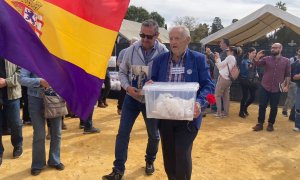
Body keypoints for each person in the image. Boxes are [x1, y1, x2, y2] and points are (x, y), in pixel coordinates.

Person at [102, 19, 168, 180]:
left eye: (149, 36)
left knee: (154, 135)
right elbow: (122, 72)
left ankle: (150, 160)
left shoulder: (164, 52)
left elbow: (168, 76)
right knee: (122, 133)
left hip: (152, 101)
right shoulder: (131, 49)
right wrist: (126, 87)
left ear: (157, 35)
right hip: (131, 98)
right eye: (142, 35)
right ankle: (118, 170)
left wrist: (156, 85)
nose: (144, 39)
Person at [150, 26, 214, 180]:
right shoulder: (160, 60)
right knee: (169, 155)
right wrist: (149, 85)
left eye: (177, 38)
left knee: (182, 153)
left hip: (188, 117)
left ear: (188, 40)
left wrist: (199, 102)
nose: (173, 42)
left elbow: (208, 85)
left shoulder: (198, 59)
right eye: (171, 38)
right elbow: (153, 82)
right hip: (166, 116)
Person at [20, 69, 64, 175]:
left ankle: (54, 160)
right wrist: (39, 81)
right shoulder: (30, 57)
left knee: (57, 132)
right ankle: (38, 164)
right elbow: (21, 79)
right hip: (35, 99)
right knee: (39, 133)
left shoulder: (57, 55)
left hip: (55, 97)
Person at [252, 43, 290, 132]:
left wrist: (287, 86)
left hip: (277, 88)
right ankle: (260, 123)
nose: (272, 49)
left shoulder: (286, 61)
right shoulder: (266, 59)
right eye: (272, 48)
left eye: (275, 48)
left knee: (274, 107)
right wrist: (257, 57)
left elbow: (288, 74)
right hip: (265, 86)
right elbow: (257, 63)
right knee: (262, 106)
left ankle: (270, 124)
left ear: (280, 49)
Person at [0, 58, 23, 166]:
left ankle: (18, 145)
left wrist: (6, 82)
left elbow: (21, 71)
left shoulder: (13, 50)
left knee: (15, 123)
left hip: (12, 93)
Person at [214, 46, 242, 118]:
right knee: (226, 96)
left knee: (217, 95)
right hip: (229, 80)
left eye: (228, 50)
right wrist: (217, 60)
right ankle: (225, 113)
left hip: (223, 78)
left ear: (232, 51)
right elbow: (220, 67)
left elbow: (220, 65)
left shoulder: (230, 57)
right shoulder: (234, 59)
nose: (227, 52)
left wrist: (218, 57)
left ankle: (219, 113)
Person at [239, 47, 259, 118]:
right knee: (245, 96)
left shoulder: (254, 61)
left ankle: (245, 108)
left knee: (253, 97)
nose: (254, 54)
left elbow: (255, 70)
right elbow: (243, 72)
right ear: (249, 53)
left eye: (255, 53)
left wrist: (256, 74)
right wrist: (250, 68)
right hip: (245, 81)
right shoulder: (244, 61)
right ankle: (241, 112)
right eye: (253, 53)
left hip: (252, 81)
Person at [282, 48, 300, 117]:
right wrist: (287, 81)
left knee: (292, 97)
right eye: (299, 51)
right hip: (292, 81)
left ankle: (286, 110)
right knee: (292, 97)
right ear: (297, 52)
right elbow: (287, 70)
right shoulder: (292, 59)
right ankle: (292, 113)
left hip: (297, 82)